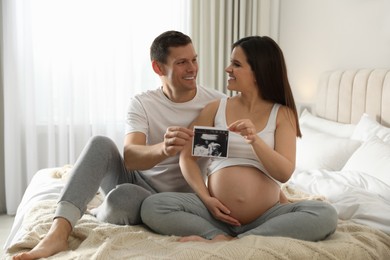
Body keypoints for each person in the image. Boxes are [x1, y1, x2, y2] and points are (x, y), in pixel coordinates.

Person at [12, 30, 226, 260]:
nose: (192, 68)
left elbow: (225, 157)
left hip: (176, 199)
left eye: (194, 59)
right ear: (158, 68)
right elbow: (131, 157)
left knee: (122, 200)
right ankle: (57, 233)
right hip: (139, 181)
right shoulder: (143, 103)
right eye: (182, 62)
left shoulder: (216, 103)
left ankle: (98, 212)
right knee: (100, 144)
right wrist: (163, 148)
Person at [141, 36, 338, 242]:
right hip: (214, 214)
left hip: (266, 216)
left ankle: (238, 239)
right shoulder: (217, 109)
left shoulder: (281, 114)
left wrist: (255, 140)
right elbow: (187, 157)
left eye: (236, 64)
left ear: (258, 72)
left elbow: (284, 173)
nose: (228, 69)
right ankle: (216, 234)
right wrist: (206, 199)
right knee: (153, 206)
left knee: (326, 214)